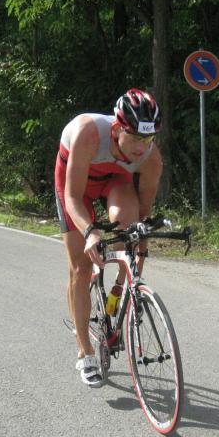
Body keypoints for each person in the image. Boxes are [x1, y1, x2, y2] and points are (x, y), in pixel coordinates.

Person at [55, 88, 163, 387]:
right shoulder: (89, 134)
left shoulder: (151, 159)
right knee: (80, 266)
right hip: (75, 186)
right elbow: (72, 197)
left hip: (114, 180)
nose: (142, 148)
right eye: (136, 138)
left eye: (149, 139)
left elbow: (143, 212)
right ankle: (85, 351)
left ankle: (115, 291)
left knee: (130, 229)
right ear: (117, 129)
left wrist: (139, 244)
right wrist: (90, 232)